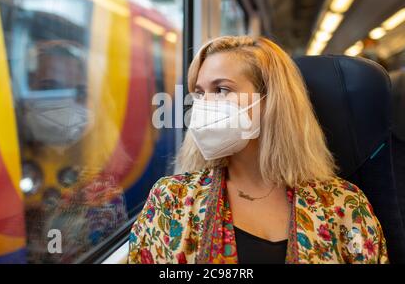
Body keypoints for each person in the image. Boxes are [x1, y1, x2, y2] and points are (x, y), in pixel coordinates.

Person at [128, 35, 389, 264]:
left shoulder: (343, 204)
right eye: (198, 93)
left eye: (221, 90)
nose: (201, 107)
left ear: (270, 101)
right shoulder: (171, 199)